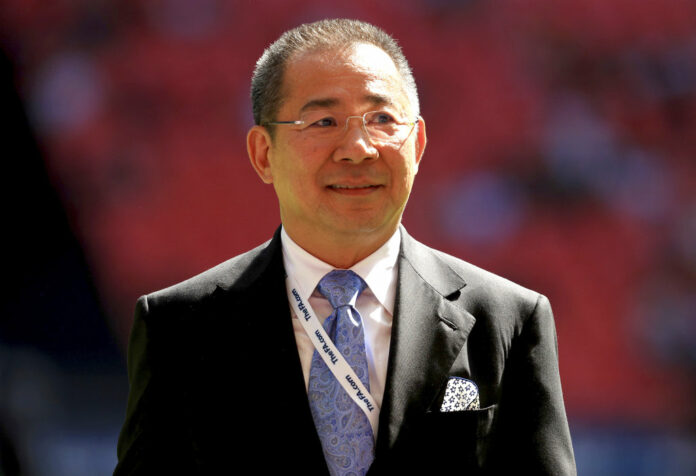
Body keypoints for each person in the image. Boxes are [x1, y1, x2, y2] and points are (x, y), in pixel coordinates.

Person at [113, 18, 576, 475]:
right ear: (263, 154)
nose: (358, 148)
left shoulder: (509, 318)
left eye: (381, 119)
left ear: (417, 144)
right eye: (324, 121)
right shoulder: (178, 326)